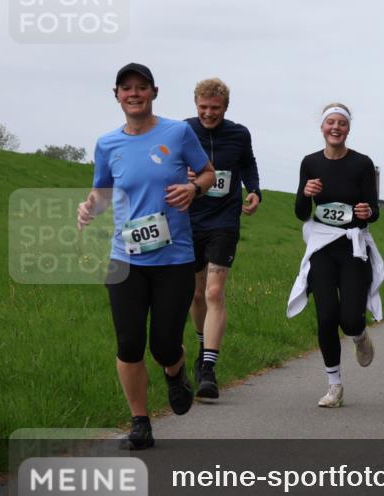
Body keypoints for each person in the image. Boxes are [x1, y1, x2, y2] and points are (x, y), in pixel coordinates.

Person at [77, 63, 215, 449]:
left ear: (154, 92)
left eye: (141, 88)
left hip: (173, 260)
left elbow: (207, 173)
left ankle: (175, 371)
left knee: (164, 344)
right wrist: (88, 208)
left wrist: (194, 190)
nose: (134, 94)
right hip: (125, 259)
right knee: (129, 343)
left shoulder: (177, 132)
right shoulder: (107, 144)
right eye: (126, 88)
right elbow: (102, 193)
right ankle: (140, 422)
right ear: (116, 95)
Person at [286, 103, 384, 408]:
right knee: (326, 316)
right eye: (331, 122)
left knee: (350, 319)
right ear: (322, 128)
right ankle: (334, 385)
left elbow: (373, 211)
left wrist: (367, 212)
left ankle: (359, 335)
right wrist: (306, 194)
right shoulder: (310, 163)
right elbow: (302, 214)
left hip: (353, 247)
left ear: (348, 129)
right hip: (323, 247)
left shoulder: (362, 164)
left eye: (341, 123)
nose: (336, 127)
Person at [185, 77, 262, 400]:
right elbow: (165, 166)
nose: (208, 114)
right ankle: (203, 345)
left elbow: (248, 164)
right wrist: (182, 175)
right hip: (188, 219)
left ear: (225, 107)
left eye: (215, 108)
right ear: (196, 105)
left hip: (224, 221)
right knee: (197, 294)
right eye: (203, 107)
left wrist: (254, 190)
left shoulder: (239, 134)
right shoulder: (183, 132)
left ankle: (208, 369)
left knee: (215, 291)